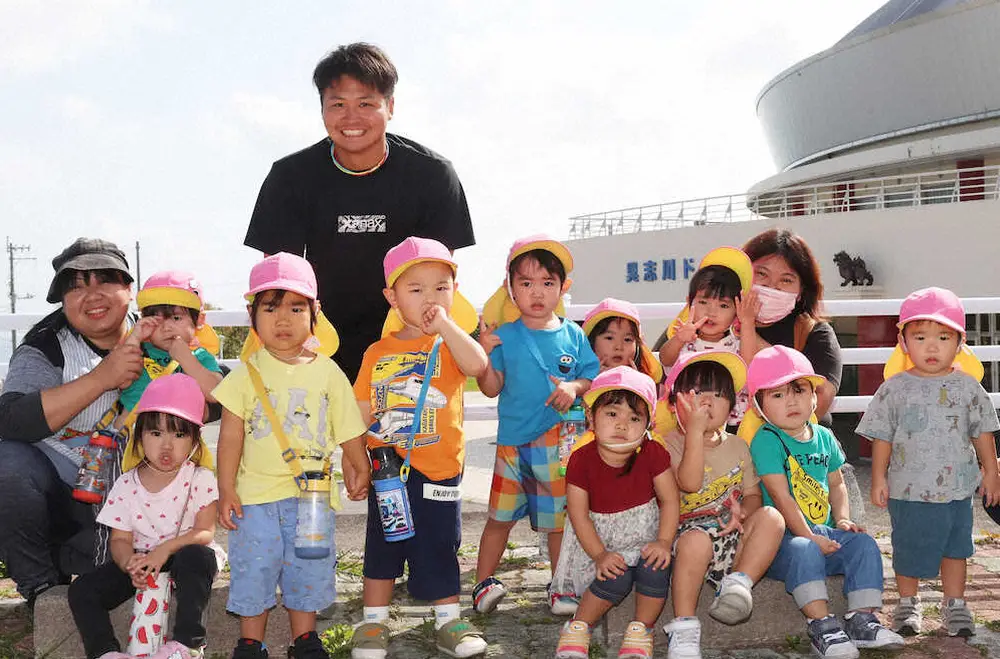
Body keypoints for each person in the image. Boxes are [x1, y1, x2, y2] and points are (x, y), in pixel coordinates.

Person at [243, 42, 475, 382]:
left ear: (390, 106)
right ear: (322, 108)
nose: (351, 118)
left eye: (366, 103)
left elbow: (437, 280)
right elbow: (279, 281)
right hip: (317, 353)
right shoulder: (289, 177)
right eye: (338, 104)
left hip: (408, 351)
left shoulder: (433, 175)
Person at [214, 253, 372, 659]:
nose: (283, 319)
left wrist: (360, 466)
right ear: (253, 316)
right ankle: (251, 642)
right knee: (255, 567)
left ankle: (305, 639)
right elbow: (230, 438)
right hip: (255, 498)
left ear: (314, 313)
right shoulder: (245, 374)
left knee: (309, 565)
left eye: (296, 308)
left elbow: (349, 428)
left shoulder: (328, 372)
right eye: (271, 308)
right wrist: (226, 488)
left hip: (313, 498)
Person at [350, 237, 488, 659]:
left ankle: (449, 621)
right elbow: (358, 409)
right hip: (387, 471)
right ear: (392, 297)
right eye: (416, 289)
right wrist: (354, 459)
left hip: (439, 470)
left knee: (439, 545)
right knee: (383, 545)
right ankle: (373, 622)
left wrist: (445, 326)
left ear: (454, 292)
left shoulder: (450, 344)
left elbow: (479, 365)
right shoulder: (377, 351)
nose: (430, 297)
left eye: (441, 287)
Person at [0, 238, 143, 602]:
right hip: (65, 499)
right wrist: (103, 378)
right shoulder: (46, 345)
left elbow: (217, 393)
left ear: (129, 287)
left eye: (104, 280)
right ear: (63, 301)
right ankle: (41, 589)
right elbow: (10, 419)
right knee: (9, 464)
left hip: (136, 499)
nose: (91, 295)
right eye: (75, 286)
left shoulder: (156, 335)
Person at [857, 287, 1000, 637]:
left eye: (943, 336)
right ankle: (907, 603)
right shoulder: (893, 389)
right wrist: (878, 477)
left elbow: (983, 433)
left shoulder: (968, 388)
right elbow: (882, 437)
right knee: (907, 547)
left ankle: (956, 605)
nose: (932, 346)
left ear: (960, 341)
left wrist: (992, 471)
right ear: (903, 342)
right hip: (907, 488)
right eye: (920, 337)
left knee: (956, 548)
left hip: (957, 489)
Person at [747, 346, 903, 659]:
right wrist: (808, 536)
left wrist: (842, 520)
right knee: (805, 550)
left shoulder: (824, 436)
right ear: (758, 406)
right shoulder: (766, 439)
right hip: (784, 542)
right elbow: (781, 496)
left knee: (864, 545)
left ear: (815, 397)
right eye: (777, 395)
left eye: (799, 390)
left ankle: (862, 619)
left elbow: (837, 483)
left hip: (823, 533)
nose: (791, 401)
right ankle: (821, 625)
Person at [473, 235, 600, 615]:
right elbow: (491, 387)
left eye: (547, 282)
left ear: (564, 287)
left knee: (558, 521)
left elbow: (590, 377)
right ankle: (482, 583)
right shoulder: (504, 337)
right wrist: (484, 355)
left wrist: (572, 386)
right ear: (510, 288)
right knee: (499, 518)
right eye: (525, 283)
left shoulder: (573, 334)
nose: (537, 292)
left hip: (556, 442)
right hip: (512, 443)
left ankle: (561, 585)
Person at [68, 374, 223, 659]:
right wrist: (129, 562)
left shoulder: (199, 477)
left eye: (179, 435)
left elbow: (204, 532)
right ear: (139, 436)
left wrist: (165, 549)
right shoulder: (127, 483)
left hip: (182, 552)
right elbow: (120, 539)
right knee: (82, 590)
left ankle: (187, 644)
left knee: (196, 557)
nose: (166, 445)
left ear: (195, 440)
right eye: (156, 433)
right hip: (142, 559)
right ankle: (105, 652)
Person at [660, 351, 785, 659]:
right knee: (694, 541)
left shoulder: (739, 446)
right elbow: (688, 483)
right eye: (697, 393)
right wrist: (693, 433)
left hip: (732, 533)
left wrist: (745, 511)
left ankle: (738, 585)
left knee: (772, 517)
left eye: (718, 395)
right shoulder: (667, 443)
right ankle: (685, 628)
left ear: (732, 407)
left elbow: (753, 494)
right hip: (688, 535)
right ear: (676, 404)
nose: (707, 402)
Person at [554, 367, 679, 659]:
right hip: (596, 541)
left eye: (634, 418)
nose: (623, 425)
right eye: (612, 414)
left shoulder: (653, 453)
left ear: (648, 424)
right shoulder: (581, 460)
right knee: (615, 576)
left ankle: (640, 630)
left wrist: (663, 541)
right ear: (591, 417)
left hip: (646, 537)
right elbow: (578, 513)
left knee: (656, 566)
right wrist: (599, 555)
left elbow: (670, 500)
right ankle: (579, 627)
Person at [742, 229, 842, 425]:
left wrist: (746, 331)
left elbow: (821, 400)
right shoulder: (712, 322)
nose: (772, 286)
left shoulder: (813, 333)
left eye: (786, 280)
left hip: (794, 449)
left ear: (801, 291)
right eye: (761, 274)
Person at [658, 247, 759, 426]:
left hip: (732, 426)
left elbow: (749, 368)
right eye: (703, 302)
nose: (711, 312)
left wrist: (748, 323)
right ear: (690, 302)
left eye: (723, 306)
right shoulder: (686, 340)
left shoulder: (738, 344)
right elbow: (665, 359)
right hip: (685, 423)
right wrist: (679, 339)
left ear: (737, 311)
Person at [117, 270, 223, 424]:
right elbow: (120, 380)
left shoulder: (200, 356)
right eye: (156, 319)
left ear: (199, 320)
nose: (166, 327)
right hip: (130, 439)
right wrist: (135, 337)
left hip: (177, 440)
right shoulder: (138, 350)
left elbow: (215, 393)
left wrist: (186, 358)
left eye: (176, 318)